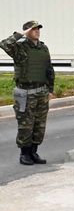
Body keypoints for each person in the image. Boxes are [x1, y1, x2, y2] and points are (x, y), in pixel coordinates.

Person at [1, 21, 54, 165]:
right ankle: (24, 154)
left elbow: (49, 69)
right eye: (34, 29)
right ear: (27, 31)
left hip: (41, 92)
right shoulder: (19, 48)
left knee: (39, 125)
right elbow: (4, 44)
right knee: (26, 125)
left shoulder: (43, 48)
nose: (37, 31)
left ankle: (33, 152)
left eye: (38, 29)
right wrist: (21, 34)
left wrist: (51, 89)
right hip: (25, 93)